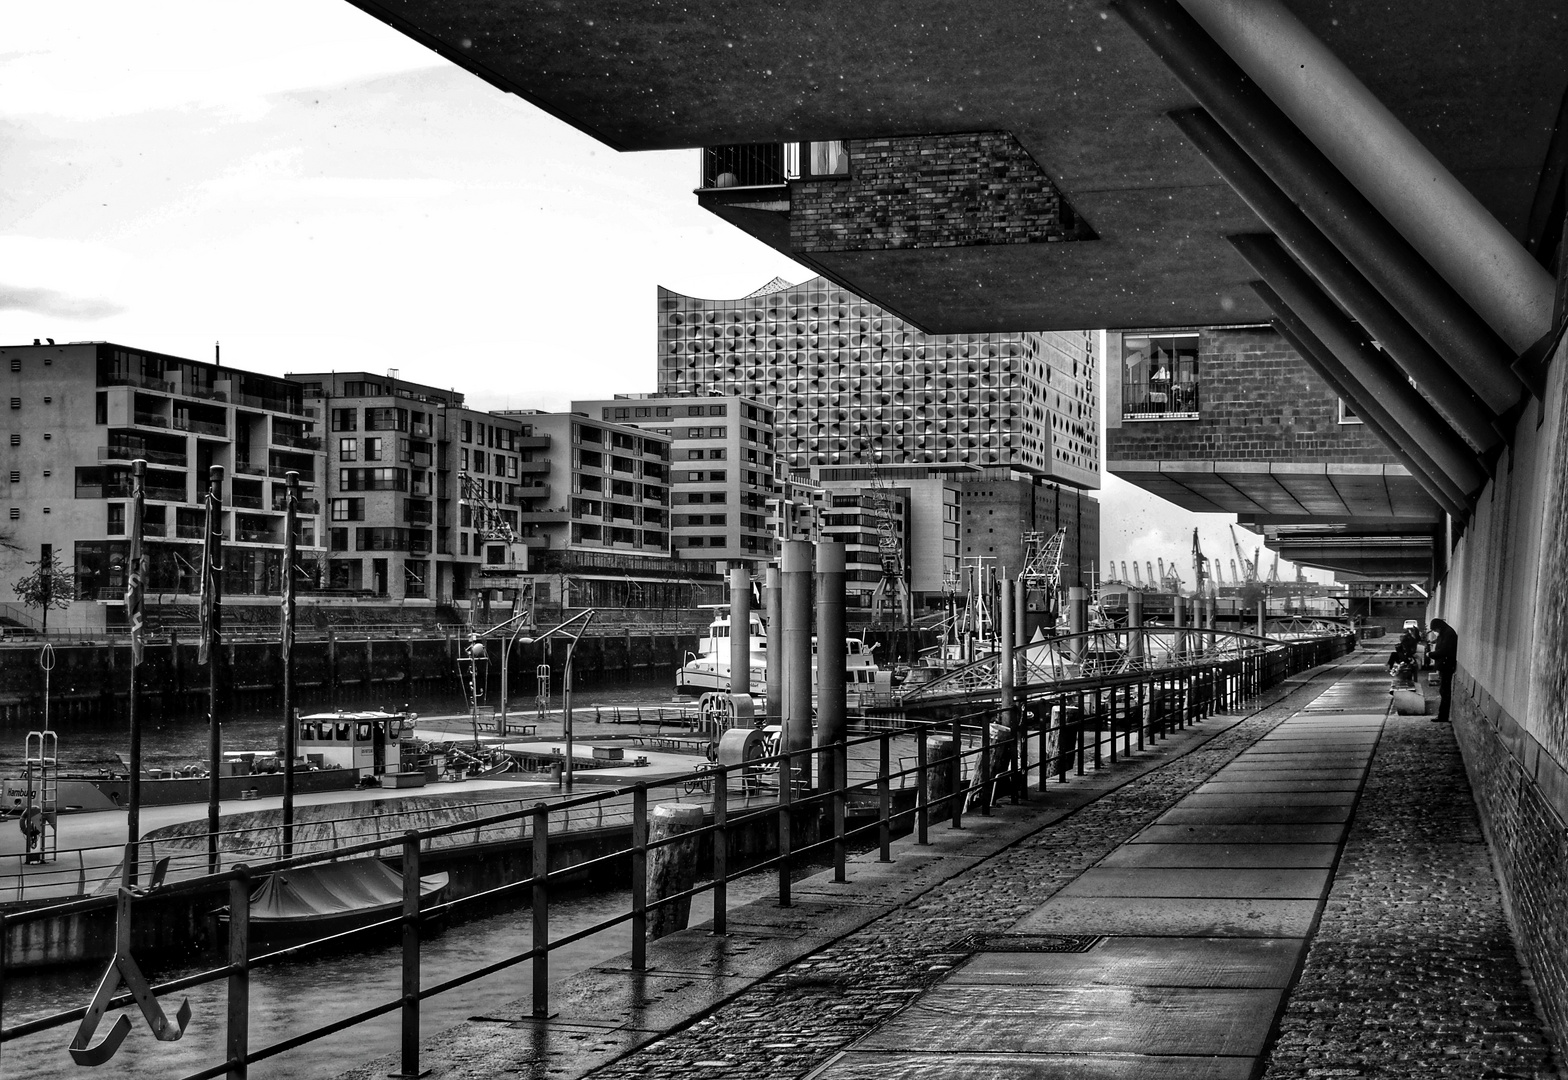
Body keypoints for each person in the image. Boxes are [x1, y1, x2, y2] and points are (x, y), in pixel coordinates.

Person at [1428, 617, 1458, 723]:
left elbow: (1444, 650)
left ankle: (1443, 716)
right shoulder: (1446, 632)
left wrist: (1431, 654)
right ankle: (1442, 715)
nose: (1435, 632)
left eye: (1435, 630)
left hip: (1446, 665)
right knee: (1443, 691)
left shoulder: (1448, 634)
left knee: (1445, 691)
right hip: (1444, 665)